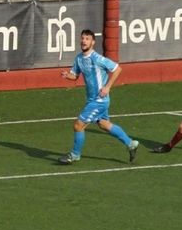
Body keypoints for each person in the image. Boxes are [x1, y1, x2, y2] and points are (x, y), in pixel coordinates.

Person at [58, 29, 139, 164]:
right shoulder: (79, 58)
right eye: (82, 38)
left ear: (93, 42)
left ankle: (75, 154)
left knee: (78, 125)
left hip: (99, 100)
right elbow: (75, 76)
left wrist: (107, 87)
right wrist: (68, 75)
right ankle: (131, 143)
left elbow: (117, 69)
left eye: (87, 39)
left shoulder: (98, 59)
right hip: (91, 99)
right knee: (104, 124)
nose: (84, 41)